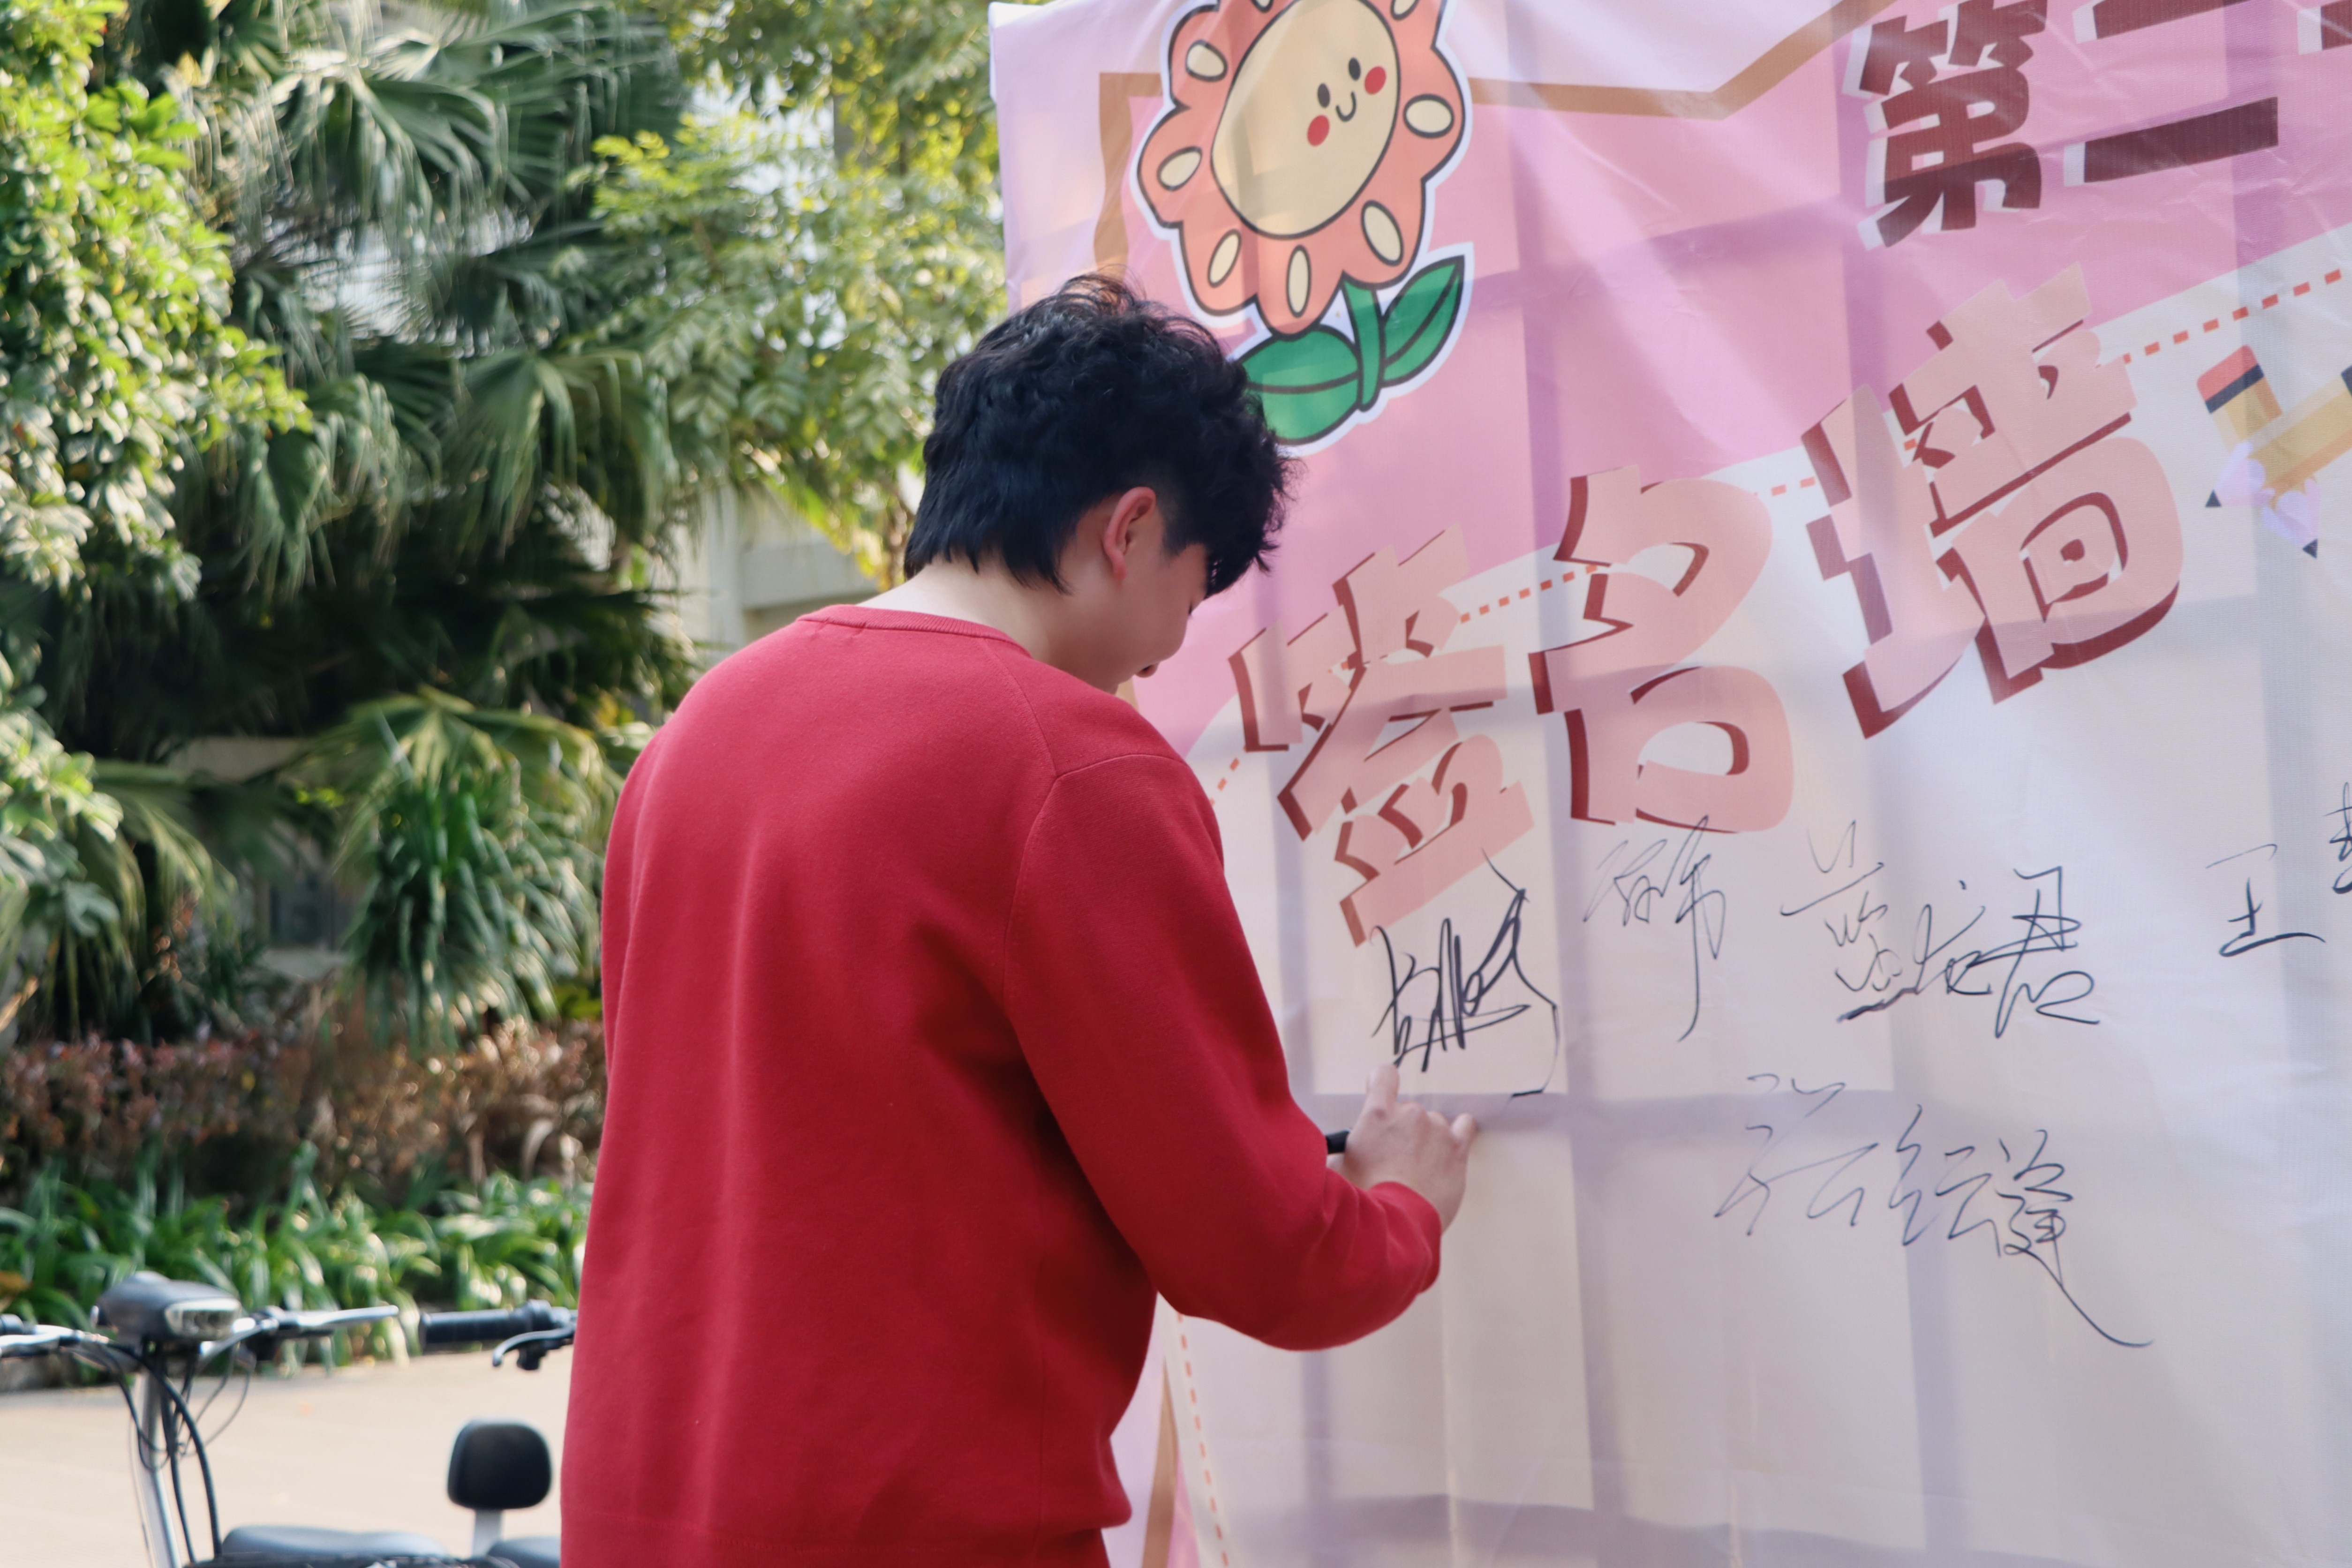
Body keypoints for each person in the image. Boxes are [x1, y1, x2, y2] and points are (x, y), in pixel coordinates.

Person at [563, 275, 1477, 1567]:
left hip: (645, 1519)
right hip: (916, 1535)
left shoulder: (696, 735)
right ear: (1132, 529)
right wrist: (1399, 1209)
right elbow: (1258, 1248)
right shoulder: (1072, 766)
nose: (1169, 650)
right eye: (1194, 593)